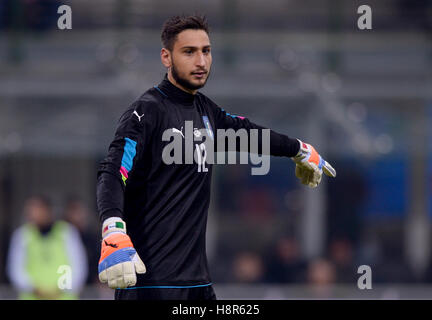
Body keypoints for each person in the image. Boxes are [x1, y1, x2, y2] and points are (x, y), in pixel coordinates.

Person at [96, 14, 336, 300]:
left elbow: (247, 132)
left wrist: (299, 148)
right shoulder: (147, 112)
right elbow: (113, 171)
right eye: (189, 52)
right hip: (150, 284)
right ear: (166, 57)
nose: (201, 61)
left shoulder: (206, 111)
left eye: (206, 51)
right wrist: (113, 227)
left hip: (197, 285)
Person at [6, 195, 88, 299]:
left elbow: (79, 266)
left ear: (48, 211)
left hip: (63, 296)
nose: (35, 214)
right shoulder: (22, 235)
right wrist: (34, 288)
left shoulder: (67, 232)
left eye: (38, 210)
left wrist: (60, 288)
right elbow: (16, 270)